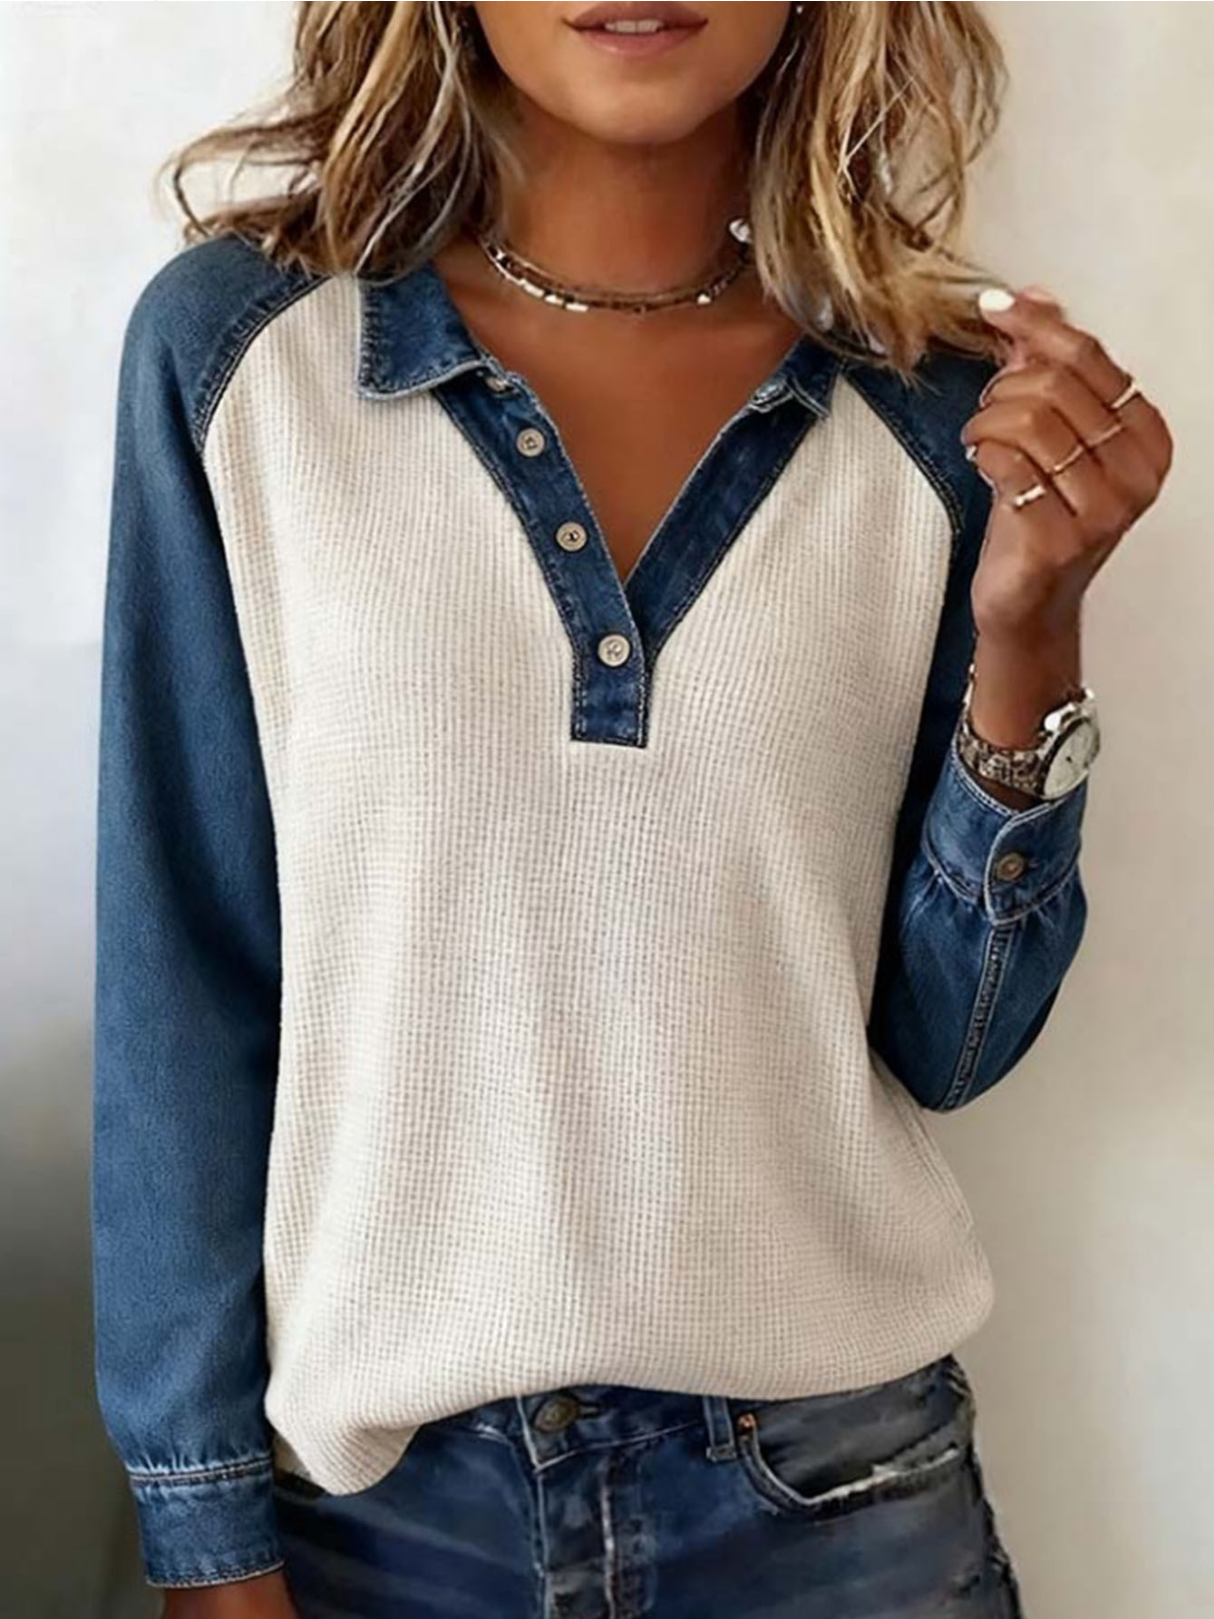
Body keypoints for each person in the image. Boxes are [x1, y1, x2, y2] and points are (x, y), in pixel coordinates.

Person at [90, 3, 1172, 1616]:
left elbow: (950, 1044)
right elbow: (182, 975)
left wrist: (1033, 630)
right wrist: (204, 1527)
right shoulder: (249, 352)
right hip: (375, 1520)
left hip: (837, 1508)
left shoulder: (938, 406)